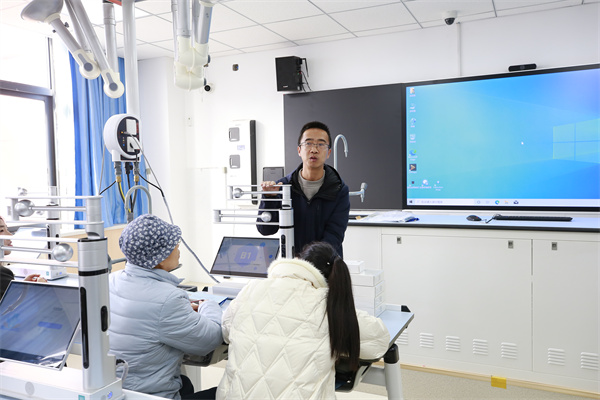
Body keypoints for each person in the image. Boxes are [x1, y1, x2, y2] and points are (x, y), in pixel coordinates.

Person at [216, 241, 390, 400]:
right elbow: (379, 341)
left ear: (299, 260)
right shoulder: (329, 306)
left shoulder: (252, 288)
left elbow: (226, 330)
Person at [108, 214, 223, 400]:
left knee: (185, 383)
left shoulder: (111, 280)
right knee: (228, 391)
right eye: (175, 245)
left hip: (118, 389)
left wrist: (181, 310)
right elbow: (211, 339)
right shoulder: (168, 299)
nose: (178, 249)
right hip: (149, 396)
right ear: (159, 258)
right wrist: (209, 305)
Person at [257, 121, 350, 257]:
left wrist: (306, 261)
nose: (314, 150)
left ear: (328, 152)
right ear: (299, 150)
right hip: (292, 263)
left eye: (321, 144)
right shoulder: (283, 187)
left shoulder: (339, 189)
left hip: (326, 264)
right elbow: (265, 229)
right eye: (308, 143)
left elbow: (334, 236)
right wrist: (268, 199)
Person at [0, 216, 46, 298]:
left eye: (7, 229)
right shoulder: (2, 273)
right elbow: (14, 305)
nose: (10, 235)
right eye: (1, 230)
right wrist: (42, 289)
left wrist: (21, 287)